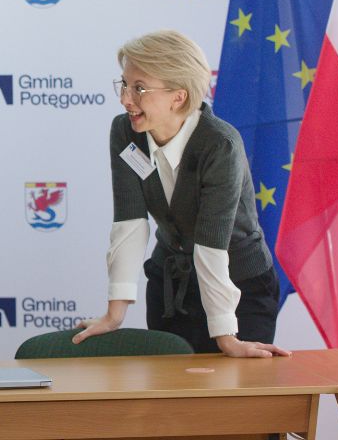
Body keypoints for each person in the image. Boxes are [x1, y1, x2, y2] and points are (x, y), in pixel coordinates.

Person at [73, 30, 289, 357]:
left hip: (238, 287)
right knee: (171, 387)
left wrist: (226, 337)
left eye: (139, 88)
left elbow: (211, 245)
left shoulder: (220, 144)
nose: (125, 99)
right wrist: (114, 314)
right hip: (172, 283)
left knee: (233, 386)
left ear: (178, 96)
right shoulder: (126, 132)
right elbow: (130, 223)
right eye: (124, 85)